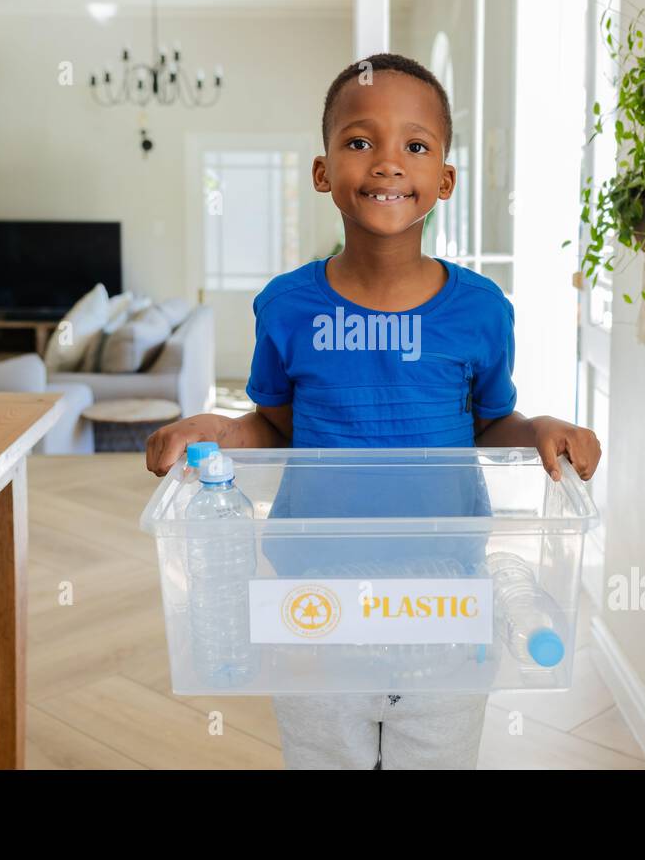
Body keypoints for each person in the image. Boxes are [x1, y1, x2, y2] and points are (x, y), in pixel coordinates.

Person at [146, 52, 601, 769]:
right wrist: (219, 428)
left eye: (415, 146)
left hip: (444, 589)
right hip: (315, 592)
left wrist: (540, 428)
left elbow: (487, 423)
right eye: (360, 142)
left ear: (443, 180)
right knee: (325, 753)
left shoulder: (481, 308)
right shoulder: (287, 304)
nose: (388, 163)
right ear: (324, 170)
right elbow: (275, 424)